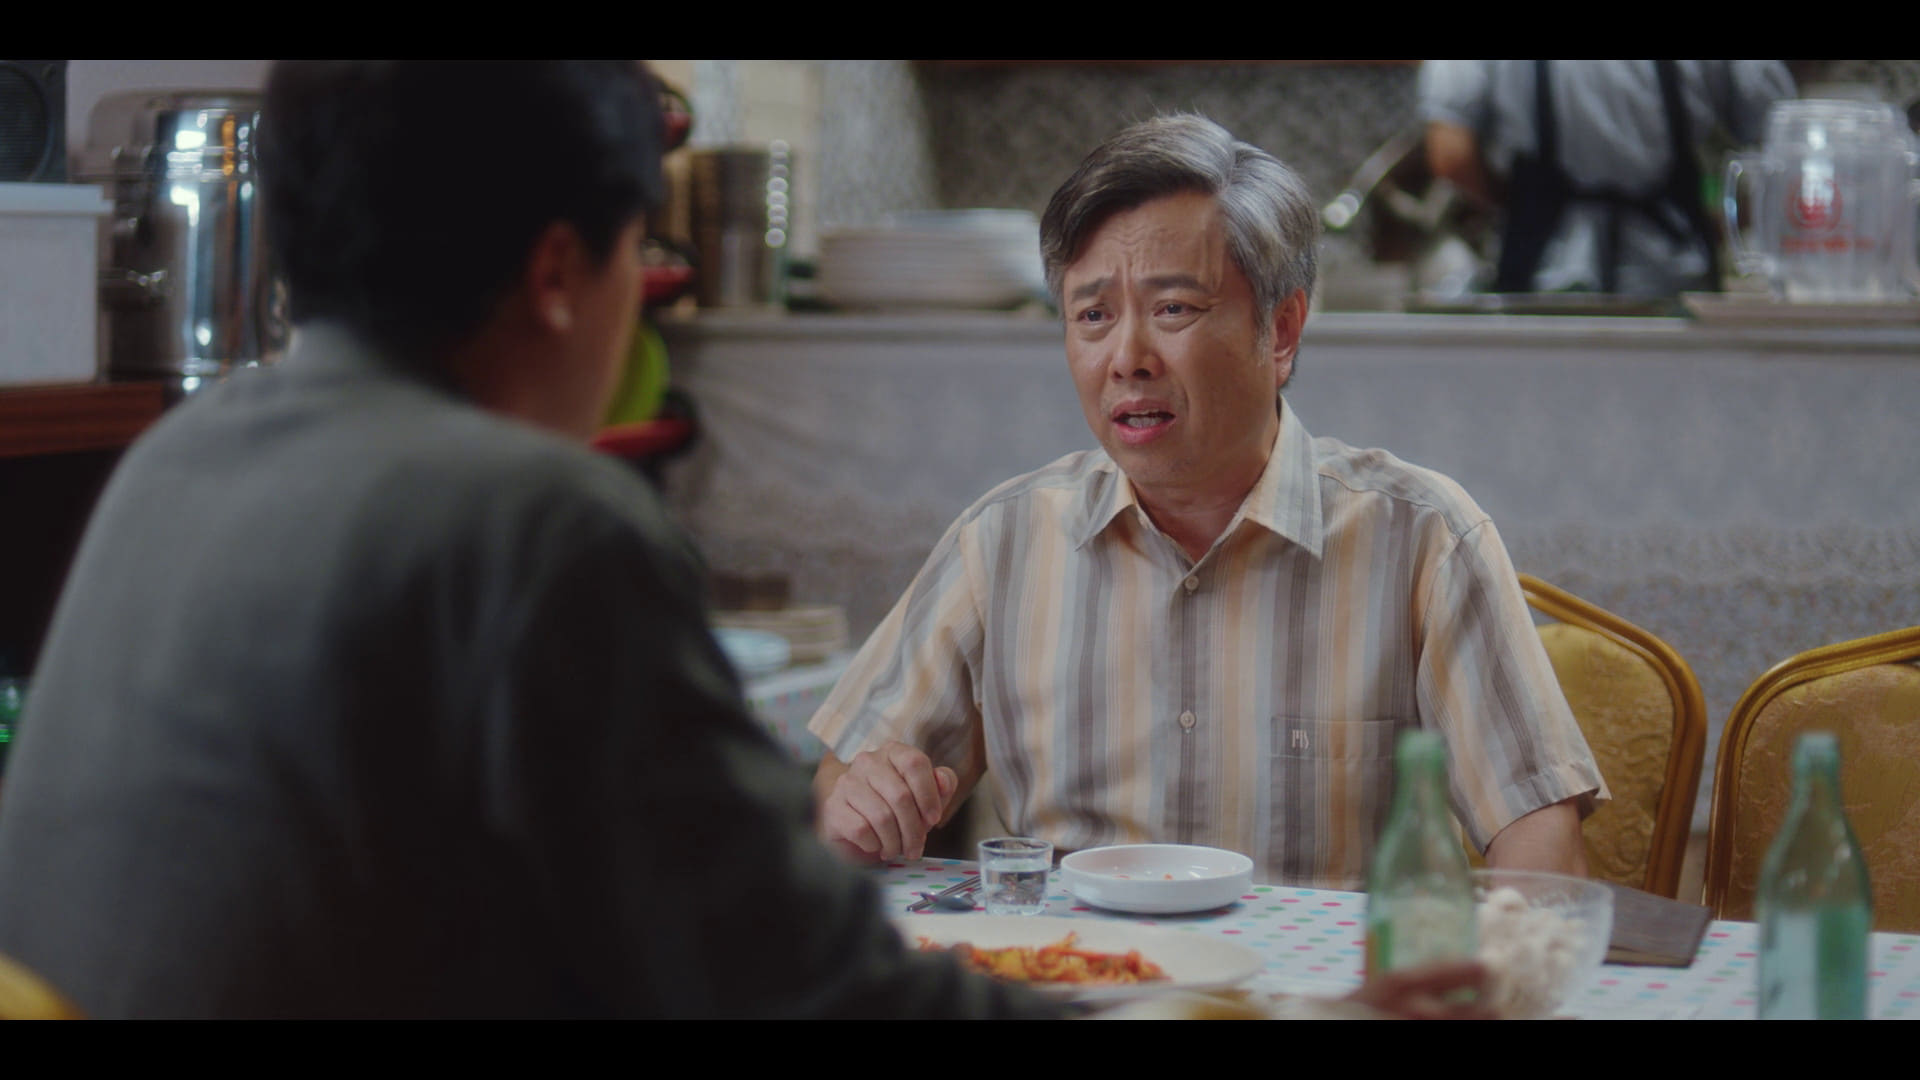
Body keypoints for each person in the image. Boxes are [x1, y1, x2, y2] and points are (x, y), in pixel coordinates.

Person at [0, 60, 1065, 1020]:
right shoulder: (539, 520)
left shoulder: (176, 460)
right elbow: (789, 976)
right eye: (634, 252)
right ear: (558, 274)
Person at [809, 114, 1608, 890]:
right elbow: (842, 791)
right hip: (1071, 965)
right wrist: (860, 805)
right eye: (1093, 316)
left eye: (1174, 309)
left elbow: (1538, 844)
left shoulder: (1425, 539)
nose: (1127, 358)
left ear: (1282, 329)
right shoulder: (1004, 540)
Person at [1419, 59, 1794, 297]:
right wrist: (1736, 220)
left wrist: (1515, 204)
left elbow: (1451, 154)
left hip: (1544, 282)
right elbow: (1790, 141)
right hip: (1673, 282)